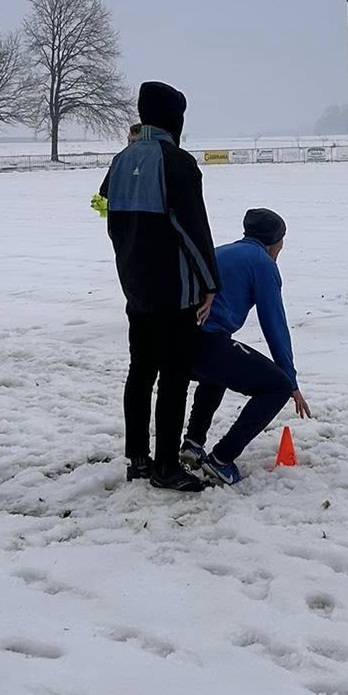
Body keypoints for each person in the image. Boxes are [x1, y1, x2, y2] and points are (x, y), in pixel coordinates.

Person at [101, 82, 218, 492]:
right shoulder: (177, 162)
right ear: (174, 118)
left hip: (135, 288)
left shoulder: (120, 160)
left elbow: (108, 209)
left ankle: (137, 460)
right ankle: (166, 467)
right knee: (173, 379)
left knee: (140, 372)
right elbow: (193, 230)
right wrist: (210, 283)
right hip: (175, 292)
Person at [182, 208, 311, 487]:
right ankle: (221, 459)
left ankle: (192, 445)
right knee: (275, 386)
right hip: (206, 342)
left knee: (218, 372)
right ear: (276, 242)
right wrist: (290, 379)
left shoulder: (220, 251)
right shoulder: (262, 263)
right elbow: (274, 323)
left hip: (176, 340)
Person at [92, 123, 142, 216]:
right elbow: (105, 190)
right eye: (129, 141)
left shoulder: (150, 162)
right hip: (124, 214)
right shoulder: (120, 160)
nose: (130, 145)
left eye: (134, 142)